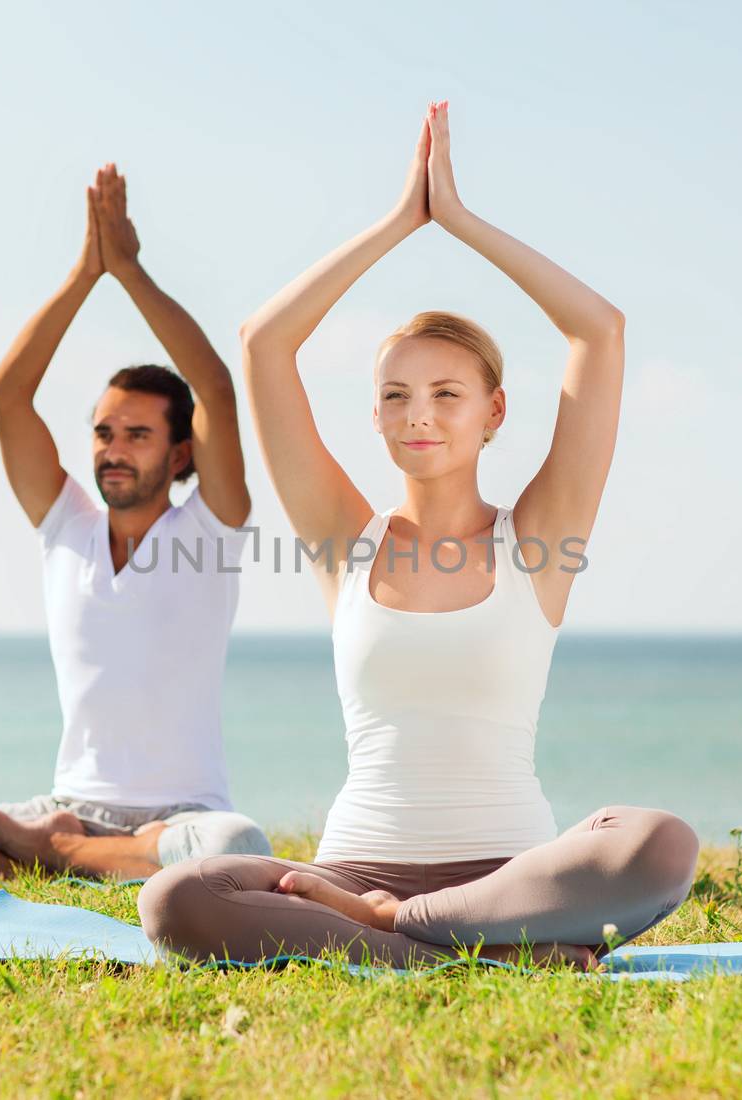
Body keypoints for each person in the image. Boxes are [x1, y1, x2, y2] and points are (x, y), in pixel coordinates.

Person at [138, 103, 698, 968]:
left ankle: (404, 934)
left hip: (508, 877)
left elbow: (599, 330)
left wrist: (461, 222)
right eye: (396, 396)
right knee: (176, 896)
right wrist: (401, 222)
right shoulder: (344, 543)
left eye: (446, 394)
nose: (419, 415)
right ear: (376, 416)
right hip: (353, 865)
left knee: (659, 841)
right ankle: (488, 958)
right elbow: (262, 343)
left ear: (493, 413)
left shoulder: (540, 538)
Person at [0, 163, 272, 882]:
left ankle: (53, 854)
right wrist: (84, 273)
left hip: (182, 817)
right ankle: (69, 848)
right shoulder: (65, 526)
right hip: (68, 801)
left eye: (137, 434)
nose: (113, 449)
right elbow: (7, 395)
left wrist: (129, 271)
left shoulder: (210, 529)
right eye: (104, 432)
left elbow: (217, 389)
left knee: (238, 849)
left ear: (180, 454)